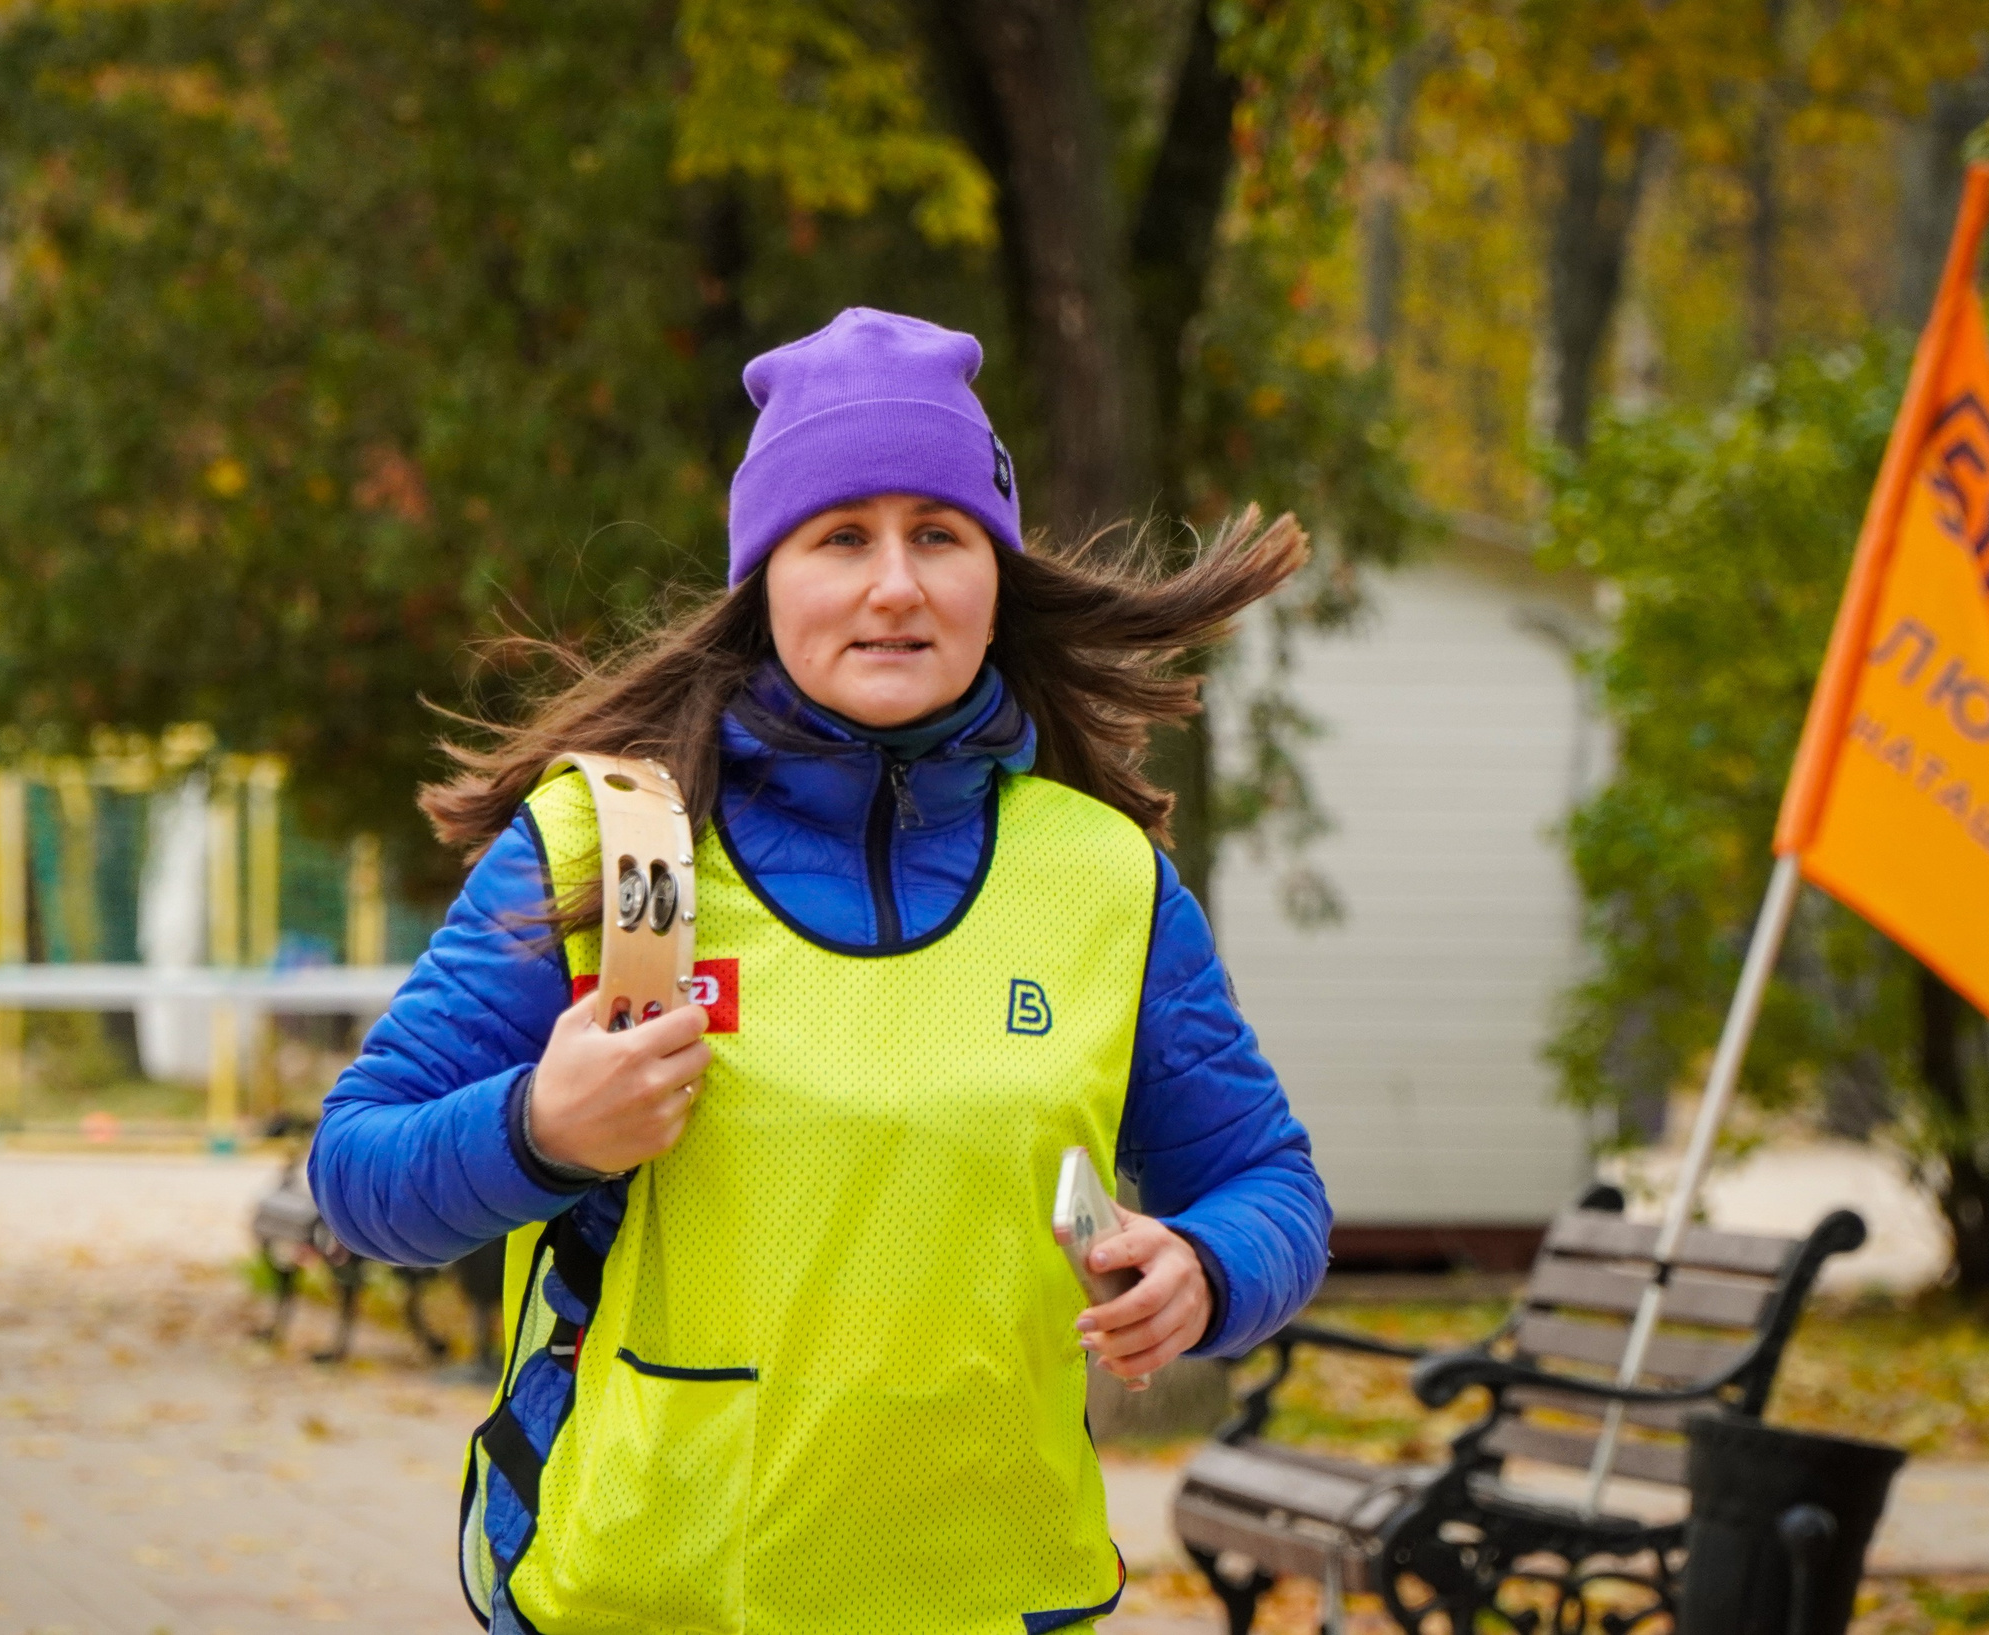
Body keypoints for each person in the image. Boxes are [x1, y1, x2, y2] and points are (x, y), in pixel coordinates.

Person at [310, 307, 1331, 1634]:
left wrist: (1209, 1263)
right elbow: (357, 1168)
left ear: (995, 576)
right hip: (650, 1599)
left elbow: (1270, 1182)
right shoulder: (616, 844)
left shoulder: (1105, 880)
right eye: (842, 534)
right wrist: (539, 1129)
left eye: (941, 534)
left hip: (999, 1599)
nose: (894, 582)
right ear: (766, 578)